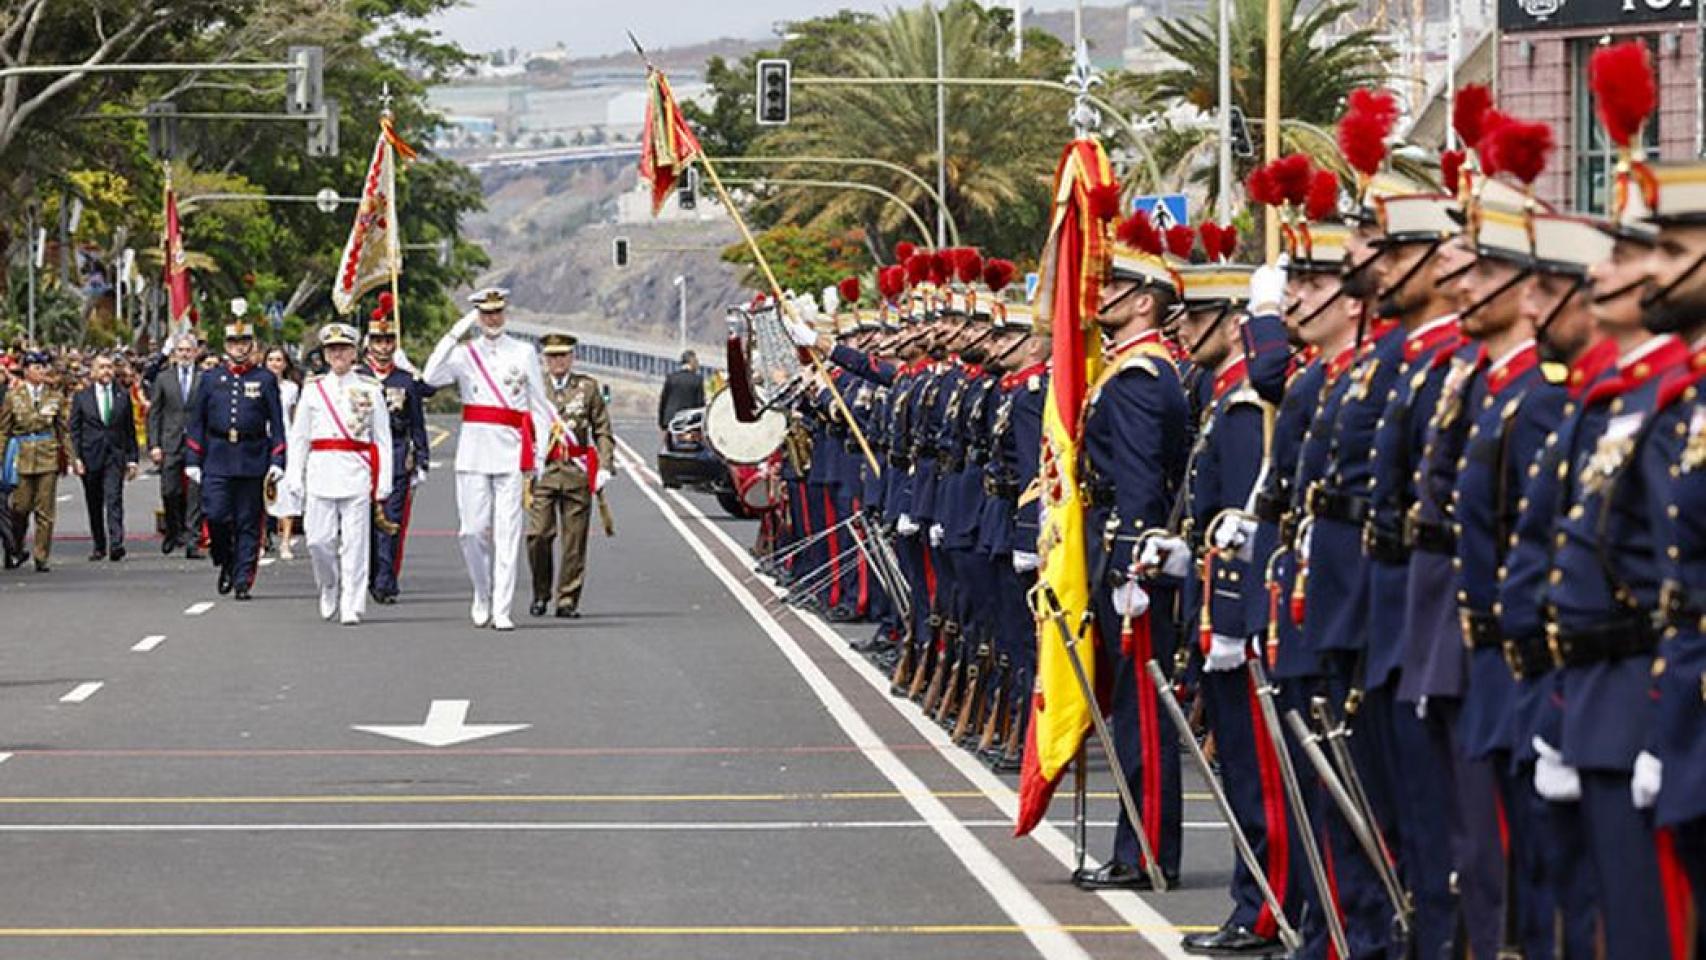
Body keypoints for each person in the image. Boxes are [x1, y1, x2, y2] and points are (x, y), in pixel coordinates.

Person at [1073, 209, 1190, 891]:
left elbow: (1144, 483)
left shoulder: (1143, 377)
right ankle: (1134, 845)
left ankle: (1145, 851)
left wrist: (1134, 567)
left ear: (1143, 300)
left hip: (1131, 563)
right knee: (1127, 713)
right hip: (1116, 554)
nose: (1100, 296)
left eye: (1113, 285)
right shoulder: (1126, 369)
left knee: (1142, 714)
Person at [423, 287, 554, 631]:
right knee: (471, 532)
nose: (492, 319)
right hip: (473, 452)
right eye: (485, 313)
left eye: (497, 312)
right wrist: (455, 331)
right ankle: (482, 592)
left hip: (511, 452)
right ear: (477, 316)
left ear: (505, 312)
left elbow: (538, 406)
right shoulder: (465, 354)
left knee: (508, 534)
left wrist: (538, 455)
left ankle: (502, 607)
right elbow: (429, 376)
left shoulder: (523, 352)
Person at [284, 322, 392, 625]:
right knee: (319, 541)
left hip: (356, 471)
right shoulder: (314, 389)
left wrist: (382, 482)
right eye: (332, 350)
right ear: (326, 354)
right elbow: (299, 437)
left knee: (356, 544)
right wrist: (295, 475)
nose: (338, 354)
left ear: (354, 352)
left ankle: (352, 601)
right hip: (320, 471)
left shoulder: (370, 389)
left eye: (343, 348)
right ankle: (329, 584)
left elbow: (382, 440)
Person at [186, 309, 287, 601]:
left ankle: (243, 577)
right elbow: (196, 422)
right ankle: (225, 560)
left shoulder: (265, 379)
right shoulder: (210, 378)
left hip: (252, 456)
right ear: (226, 345)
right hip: (217, 456)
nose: (239, 348)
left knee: (247, 521)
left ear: (252, 344)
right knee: (216, 515)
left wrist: (278, 459)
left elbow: (277, 425)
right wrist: (193, 459)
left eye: (244, 342)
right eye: (233, 343)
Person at [526, 332, 614, 618]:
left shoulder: (587, 388)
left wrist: (604, 466)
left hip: (576, 472)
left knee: (574, 541)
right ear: (545, 359)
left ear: (572, 357)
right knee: (538, 535)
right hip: (545, 471)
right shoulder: (533, 388)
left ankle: (567, 599)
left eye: (563, 355)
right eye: (552, 356)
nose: (558, 361)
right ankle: (541, 592)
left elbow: (602, 429)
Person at [360, 295, 433, 605]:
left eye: (388, 339)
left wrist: (423, 461)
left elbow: (418, 420)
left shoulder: (404, 379)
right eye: (378, 339)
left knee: (391, 521)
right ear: (368, 343)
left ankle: (385, 581)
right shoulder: (357, 377)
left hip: (397, 450)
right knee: (362, 521)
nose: (383, 345)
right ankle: (368, 572)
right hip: (363, 453)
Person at [0, 351, 69, 571]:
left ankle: (41, 556)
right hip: (22, 455)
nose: (41, 372)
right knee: (20, 507)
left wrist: (73, 458)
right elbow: (4, 430)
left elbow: (63, 431)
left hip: (47, 454)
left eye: (42, 367)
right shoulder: (14, 396)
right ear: (27, 371)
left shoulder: (55, 396)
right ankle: (15, 548)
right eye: (36, 368)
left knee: (45, 511)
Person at [69, 352, 140, 561]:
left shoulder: (122, 395)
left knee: (114, 498)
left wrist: (132, 458)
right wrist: (76, 458)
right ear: (93, 372)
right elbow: (74, 430)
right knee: (94, 501)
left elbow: (130, 430)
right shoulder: (82, 397)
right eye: (102, 367)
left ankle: (116, 543)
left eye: (109, 367)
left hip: (114, 456)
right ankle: (99, 544)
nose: (106, 371)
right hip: (90, 455)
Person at [147, 334, 205, 558]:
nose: (184, 354)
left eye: (188, 350)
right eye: (180, 350)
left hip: (196, 444)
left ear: (194, 353)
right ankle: (174, 530)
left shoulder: (204, 378)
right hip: (170, 442)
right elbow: (155, 413)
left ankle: (193, 540)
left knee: (194, 493)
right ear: (174, 353)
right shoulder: (164, 379)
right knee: (170, 491)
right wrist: (154, 444)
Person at [263, 345, 303, 559]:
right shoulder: (256, 384)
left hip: (286, 442)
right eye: (271, 360)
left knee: (286, 492)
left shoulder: (291, 388)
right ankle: (261, 539)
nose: (275, 364)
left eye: (279, 360)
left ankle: (285, 541)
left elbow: (296, 417)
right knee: (261, 492)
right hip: (262, 441)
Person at [657, 349, 704, 437]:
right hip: (688, 423)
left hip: (670, 421)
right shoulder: (697, 380)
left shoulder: (671, 378)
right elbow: (700, 405)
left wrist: (661, 423)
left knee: (668, 448)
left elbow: (663, 401)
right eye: (696, 361)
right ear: (691, 362)